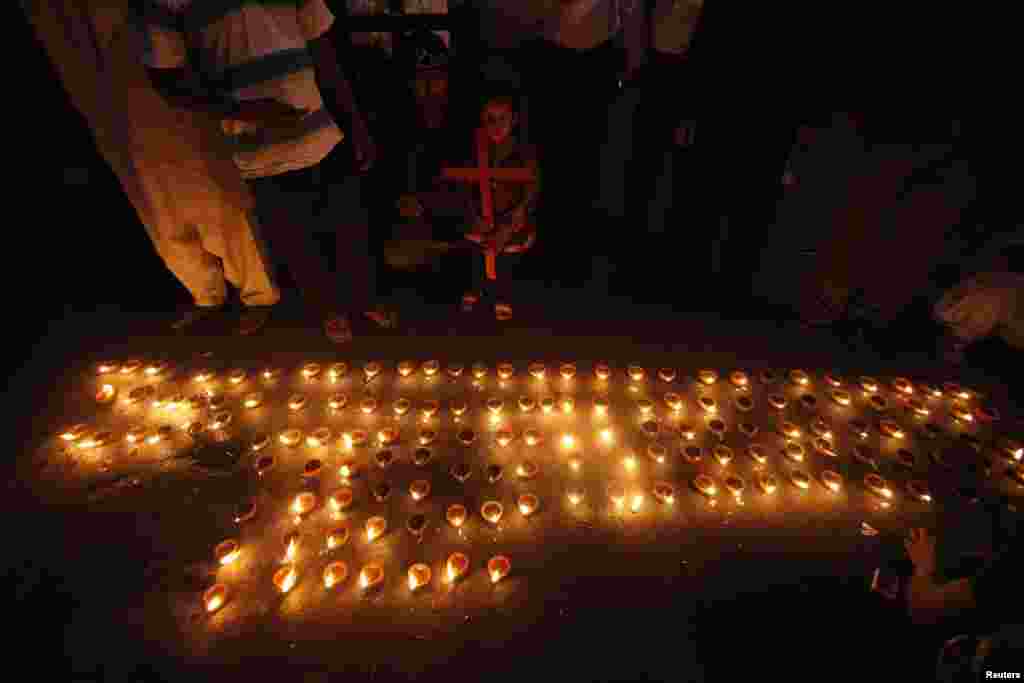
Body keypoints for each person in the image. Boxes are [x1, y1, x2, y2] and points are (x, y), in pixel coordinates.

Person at [141, 0, 393, 343]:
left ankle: (364, 299)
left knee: (349, 224)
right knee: (295, 239)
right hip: (255, 147)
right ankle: (327, 310)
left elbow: (322, 49)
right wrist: (242, 110)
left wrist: (355, 123)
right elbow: (167, 82)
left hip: (320, 131)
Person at [22, 0, 281, 334]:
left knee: (218, 204)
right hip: (123, 114)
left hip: (179, 104)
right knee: (160, 212)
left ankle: (257, 295)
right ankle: (205, 294)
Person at [399, 93, 539, 320]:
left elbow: (531, 192)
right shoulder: (474, 151)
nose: (495, 126)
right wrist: (473, 216)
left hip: (510, 221)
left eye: (502, 118)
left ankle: (503, 294)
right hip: (481, 218)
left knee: (506, 256)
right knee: (477, 249)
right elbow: (462, 188)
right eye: (489, 119)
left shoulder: (524, 152)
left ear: (514, 120)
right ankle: (477, 287)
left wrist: (511, 223)